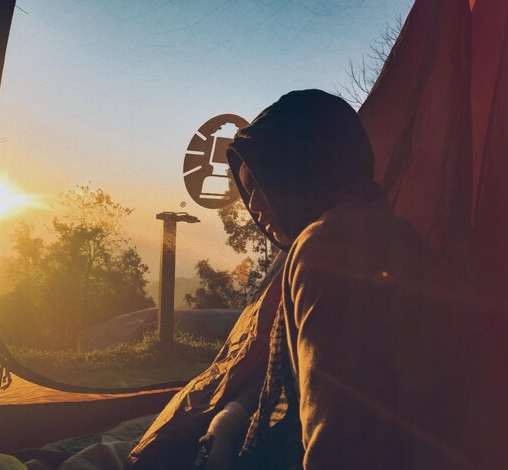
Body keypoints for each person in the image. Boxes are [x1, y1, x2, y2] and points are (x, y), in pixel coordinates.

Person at [128, 89, 474, 469]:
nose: (255, 207)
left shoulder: (327, 248)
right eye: (248, 191)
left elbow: (337, 445)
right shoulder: (402, 239)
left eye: (263, 185)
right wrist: (232, 417)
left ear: (303, 171)